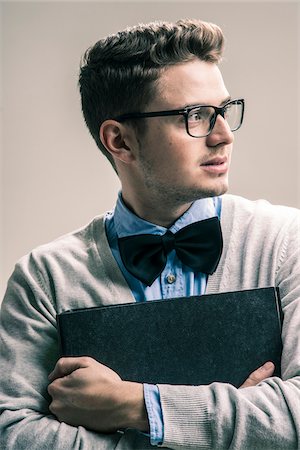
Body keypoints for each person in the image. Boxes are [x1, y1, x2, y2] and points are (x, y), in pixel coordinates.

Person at [0, 18, 299, 450]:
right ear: (119, 141)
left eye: (224, 110)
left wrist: (134, 407)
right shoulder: (44, 278)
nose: (222, 136)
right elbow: (13, 433)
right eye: (194, 116)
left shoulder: (289, 243)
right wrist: (242, 427)